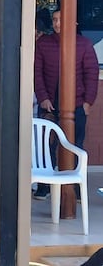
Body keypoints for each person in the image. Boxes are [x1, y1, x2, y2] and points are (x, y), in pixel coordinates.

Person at [33, 10, 98, 200]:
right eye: (54, 20)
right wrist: (43, 97)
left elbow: (92, 74)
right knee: (46, 145)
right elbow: (37, 73)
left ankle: (74, 189)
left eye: (61, 19)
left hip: (77, 104)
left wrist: (88, 102)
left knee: (74, 144)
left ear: (74, 22)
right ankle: (44, 186)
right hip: (49, 104)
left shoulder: (84, 44)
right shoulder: (43, 43)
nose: (57, 23)